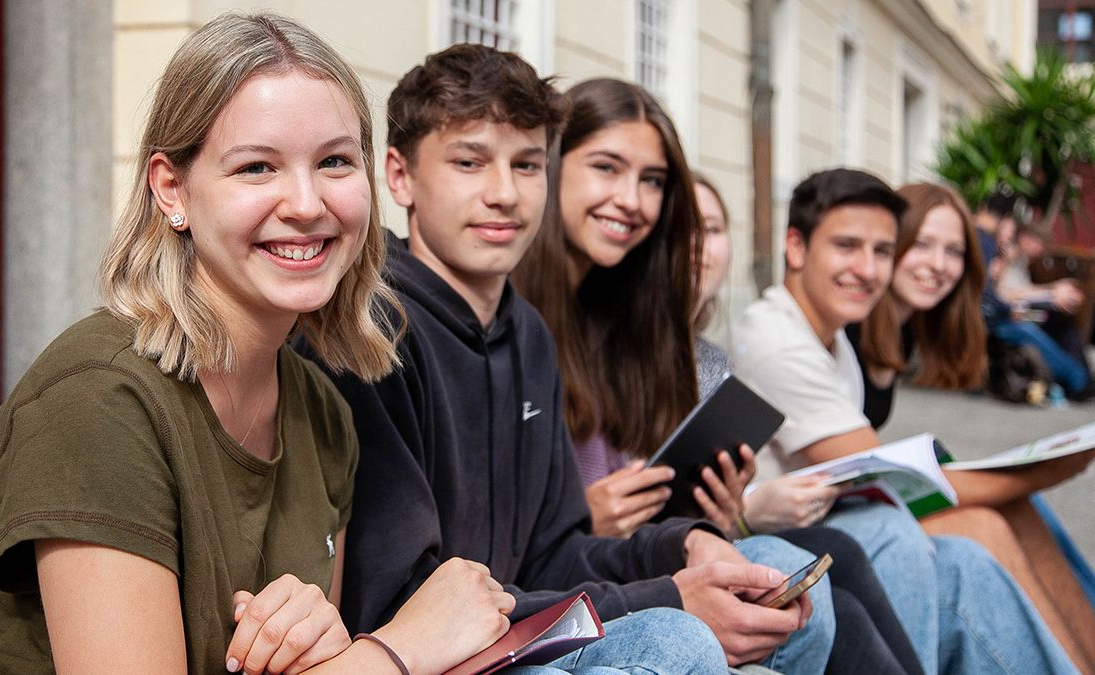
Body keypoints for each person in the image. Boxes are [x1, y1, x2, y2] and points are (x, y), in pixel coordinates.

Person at [0, 14, 532, 675]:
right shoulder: (96, 404)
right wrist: (399, 648)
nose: (306, 203)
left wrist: (327, 642)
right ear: (171, 189)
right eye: (256, 167)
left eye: (334, 161)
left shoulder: (324, 415)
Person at [299, 45, 822, 673]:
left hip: (529, 626)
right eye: (470, 162)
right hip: (434, 653)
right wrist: (667, 596)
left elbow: (558, 553)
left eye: (527, 165)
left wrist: (679, 545)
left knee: (779, 575)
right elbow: (406, 596)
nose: (504, 194)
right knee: (679, 641)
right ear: (401, 176)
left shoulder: (527, 330)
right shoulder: (369, 330)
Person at [513, 81, 915, 675]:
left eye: (652, 181)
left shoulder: (630, 323)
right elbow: (524, 541)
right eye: (607, 167)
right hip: (565, 585)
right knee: (828, 565)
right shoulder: (514, 319)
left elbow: (643, 497)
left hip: (625, 553)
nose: (631, 199)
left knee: (830, 572)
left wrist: (712, 517)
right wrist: (584, 517)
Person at [732, 167, 1077, 674]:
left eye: (881, 252)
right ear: (797, 248)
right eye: (847, 246)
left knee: (968, 565)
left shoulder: (831, 335)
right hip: (768, 540)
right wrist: (1050, 466)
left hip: (822, 523)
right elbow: (880, 474)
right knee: (930, 527)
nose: (868, 269)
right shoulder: (779, 338)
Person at [847, 181, 1095, 669]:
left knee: (1024, 505)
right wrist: (1044, 467)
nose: (938, 263)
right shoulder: (848, 321)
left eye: (954, 251)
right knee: (985, 516)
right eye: (921, 244)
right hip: (815, 517)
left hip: (854, 496)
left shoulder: (902, 329)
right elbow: (857, 468)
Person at [975, 196, 1093, 399]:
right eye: (1006, 233)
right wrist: (1051, 293)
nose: (1007, 239)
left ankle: (1080, 379)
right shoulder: (990, 248)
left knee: (1057, 322)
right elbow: (1001, 294)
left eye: (1010, 234)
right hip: (998, 317)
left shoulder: (1002, 253)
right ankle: (1078, 380)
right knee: (1029, 327)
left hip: (1008, 311)